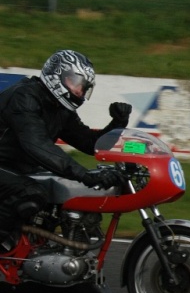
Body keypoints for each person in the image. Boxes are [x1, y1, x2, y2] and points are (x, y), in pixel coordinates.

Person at [0, 50, 132, 252]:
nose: (79, 91)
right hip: (5, 166)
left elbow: (89, 143)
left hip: (18, 168)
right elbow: (38, 145)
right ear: (56, 75)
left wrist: (117, 124)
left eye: (83, 87)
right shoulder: (24, 98)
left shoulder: (61, 109)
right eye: (75, 83)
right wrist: (83, 174)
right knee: (31, 192)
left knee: (57, 193)